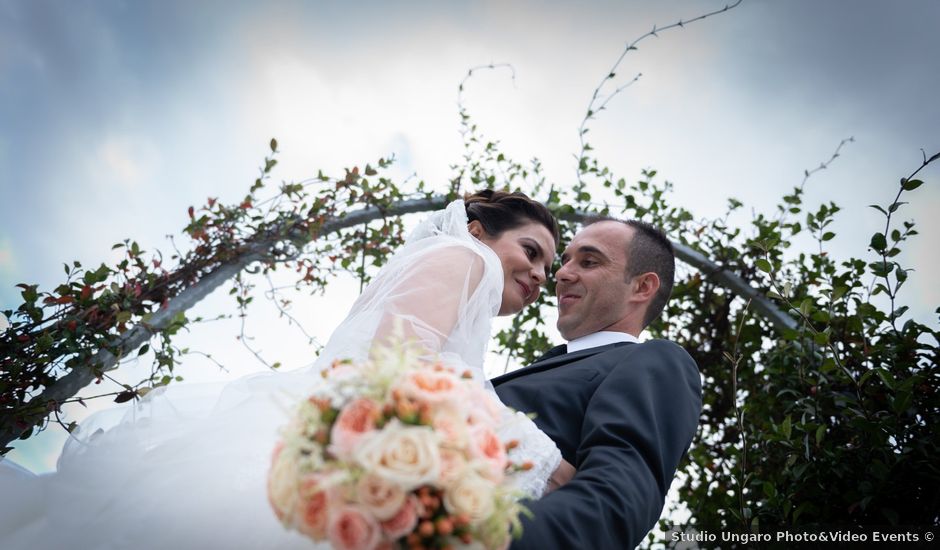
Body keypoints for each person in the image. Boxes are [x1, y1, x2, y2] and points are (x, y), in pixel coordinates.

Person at [0, 190, 567, 549]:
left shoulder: (459, 273)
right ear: (476, 231)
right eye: (531, 250)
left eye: (549, 265)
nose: (541, 274)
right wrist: (532, 449)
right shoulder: (465, 259)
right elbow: (405, 369)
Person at [493, 217, 703, 549]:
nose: (560, 275)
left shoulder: (654, 361)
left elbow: (614, 501)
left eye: (589, 262)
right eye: (564, 262)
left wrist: (480, 540)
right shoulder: (550, 364)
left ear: (641, 287)